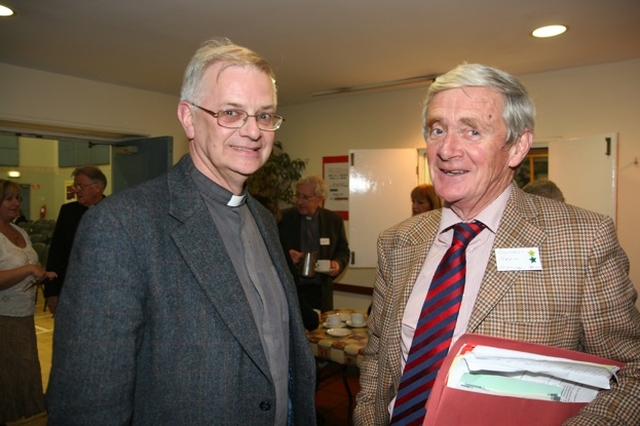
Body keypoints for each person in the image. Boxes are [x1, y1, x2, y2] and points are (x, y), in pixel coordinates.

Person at [46, 38, 317, 425]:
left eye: (264, 115)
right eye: (231, 112)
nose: (253, 131)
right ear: (188, 118)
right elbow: (87, 404)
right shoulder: (122, 226)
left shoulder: (263, 219)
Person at [354, 63, 640, 425]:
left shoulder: (583, 238)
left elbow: (630, 373)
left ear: (517, 147)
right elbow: (379, 358)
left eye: (472, 131)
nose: (446, 149)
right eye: (437, 129)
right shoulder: (398, 241)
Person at [0, 180, 56, 424]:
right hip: (3, 318)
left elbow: (29, 267)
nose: (16, 203)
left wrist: (42, 274)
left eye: (18, 198)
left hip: (23, 317)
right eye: (9, 199)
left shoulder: (19, 231)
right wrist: (29, 270)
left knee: (23, 369)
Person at [278, 175, 350, 312]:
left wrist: (337, 264)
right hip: (292, 289)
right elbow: (270, 248)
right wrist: (286, 255)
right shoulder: (283, 218)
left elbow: (343, 250)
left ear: (320, 199)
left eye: (306, 197)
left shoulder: (333, 220)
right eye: (297, 195)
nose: (299, 201)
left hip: (321, 291)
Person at [43, 165, 107, 314]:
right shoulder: (68, 212)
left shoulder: (115, 211)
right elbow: (56, 253)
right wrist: (52, 292)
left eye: (81, 186)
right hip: (71, 291)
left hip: (104, 294)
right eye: (75, 186)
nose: (76, 190)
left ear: (98, 187)